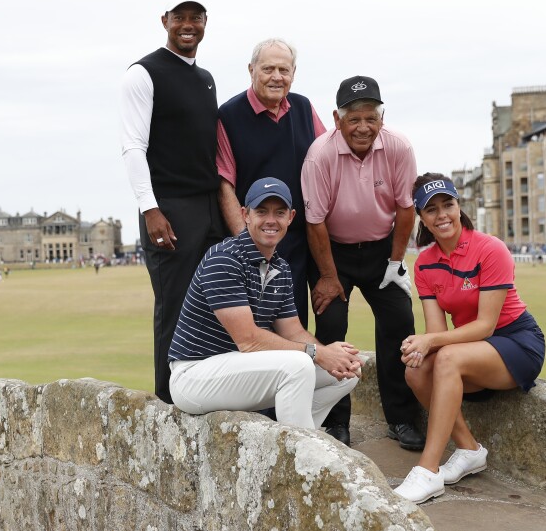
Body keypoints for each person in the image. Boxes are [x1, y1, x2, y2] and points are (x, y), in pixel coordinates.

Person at [393, 173, 546, 504]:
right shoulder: (424, 264)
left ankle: (428, 471)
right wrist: (420, 345)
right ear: (421, 217)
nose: (442, 215)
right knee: (415, 370)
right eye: (431, 209)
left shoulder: (490, 248)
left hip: (517, 342)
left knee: (445, 357)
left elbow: (486, 326)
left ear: (459, 206)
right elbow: (437, 332)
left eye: (448, 204)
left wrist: (431, 343)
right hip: (471, 348)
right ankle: (469, 450)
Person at [168, 177, 363, 429]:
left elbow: (293, 331)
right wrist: (318, 353)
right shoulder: (224, 259)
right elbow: (248, 340)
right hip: (194, 376)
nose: (271, 220)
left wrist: (332, 357)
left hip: (239, 370)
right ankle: (300, 455)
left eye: (279, 213)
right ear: (245, 214)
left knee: (347, 373)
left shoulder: (280, 267)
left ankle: (292, 436)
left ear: (290, 218)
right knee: (299, 365)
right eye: (261, 211)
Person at [301, 75, 424, 449]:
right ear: (337, 120)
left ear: (381, 119)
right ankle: (337, 422)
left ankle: (402, 418)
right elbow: (315, 221)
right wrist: (327, 276)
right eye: (354, 119)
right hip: (331, 252)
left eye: (371, 118)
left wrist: (395, 262)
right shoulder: (320, 154)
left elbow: (406, 208)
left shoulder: (399, 146)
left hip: (380, 249)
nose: (363, 127)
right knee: (332, 326)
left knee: (399, 323)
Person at [120, 0, 225, 403]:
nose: (188, 25)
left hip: (209, 206)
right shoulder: (143, 73)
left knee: (214, 301)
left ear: (204, 23)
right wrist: (150, 209)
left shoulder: (205, 78)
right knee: (175, 304)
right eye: (179, 17)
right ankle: (168, 399)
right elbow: (132, 147)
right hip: (169, 208)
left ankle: (205, 388)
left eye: (196, 17)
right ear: (164, 20)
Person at [216, 38, 328, 328]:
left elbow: (327, 161)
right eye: (268, 69)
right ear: (251, 70)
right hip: (255, 240)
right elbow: (224, 183)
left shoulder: (303, 107)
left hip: (301, 238)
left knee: (297, 325)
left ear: (293, 73)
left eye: (284, 69)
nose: (277, 77)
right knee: (260, 330)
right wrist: (247, 247)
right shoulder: (229, 115)